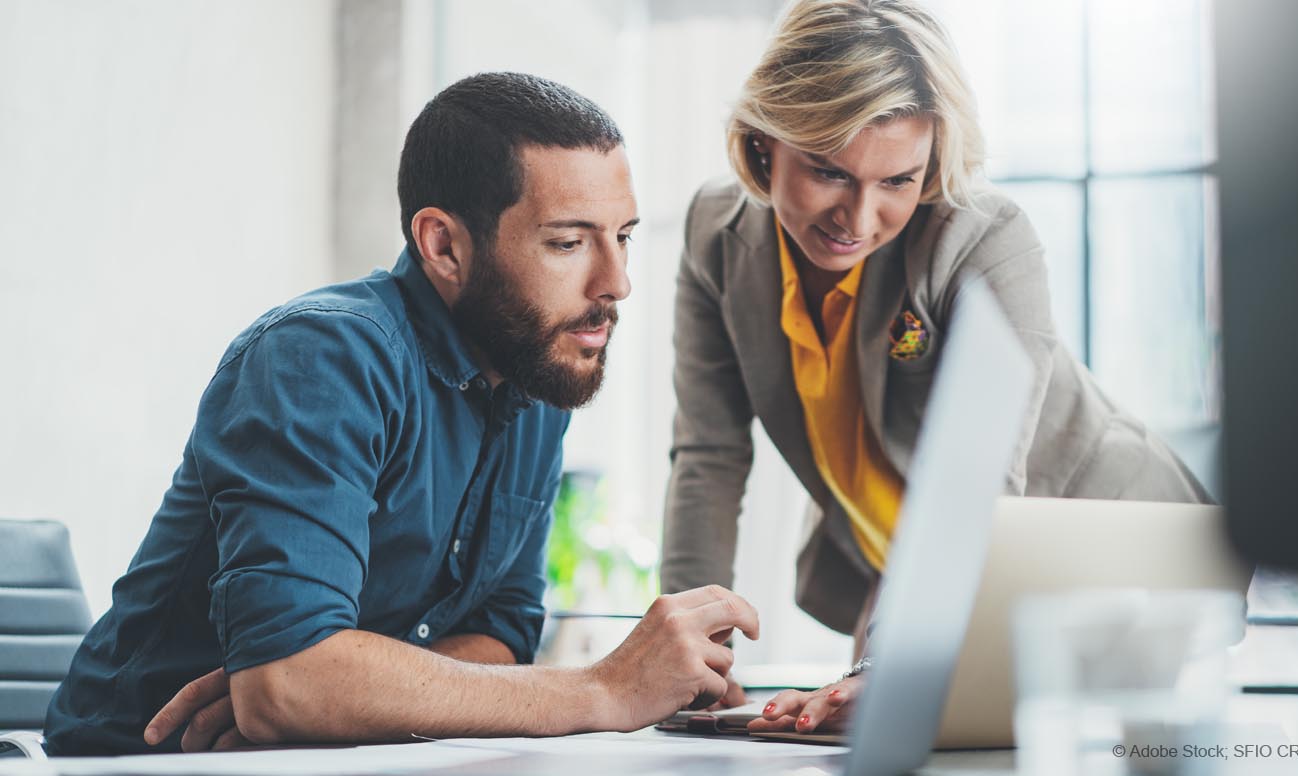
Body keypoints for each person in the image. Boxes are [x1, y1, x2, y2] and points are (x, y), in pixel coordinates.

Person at [44, 72, 758, 756]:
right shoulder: (320, 355)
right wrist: (600, 691)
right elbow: (287, 684)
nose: (617, 282)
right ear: (443, 245)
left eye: (623, 236)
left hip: (335, 760)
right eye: (568, 243)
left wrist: (340, 695)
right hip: (144, 761)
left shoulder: (535, 371)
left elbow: (500, 633)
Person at [657, 0, 1209, 733]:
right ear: (763, 145)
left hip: (1108, 562)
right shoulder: (713, 234)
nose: (856, 219)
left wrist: (886, 666)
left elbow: (976, 493)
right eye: (827, 171)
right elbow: (708, 457)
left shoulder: (983, 241)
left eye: (897, 181)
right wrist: (691, 659)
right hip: (911, 582)